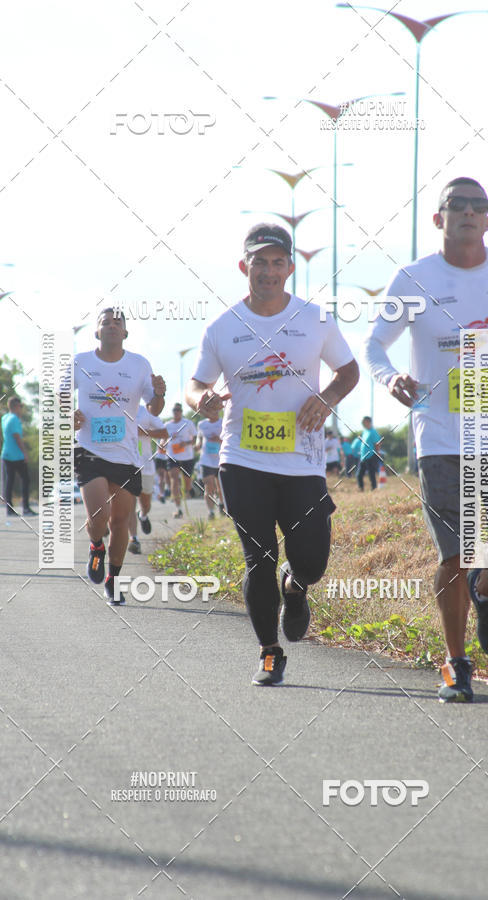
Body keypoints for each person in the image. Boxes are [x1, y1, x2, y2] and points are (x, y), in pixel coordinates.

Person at [365, 177, 488, 702]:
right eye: (459, 205)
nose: (470, 213)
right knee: (456, 554)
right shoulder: (412, 279)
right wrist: (390, 379)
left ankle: (487, 590)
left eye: (480, 206)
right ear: (439, 218)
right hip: (441, 437)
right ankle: (456, 664)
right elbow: (374, 346)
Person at [186, 223, 359, 685]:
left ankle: (297, 585)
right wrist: (198, 399)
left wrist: (326, 399)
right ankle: (268, 652)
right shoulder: (222, 327)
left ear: (289, 268)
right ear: (244, 267)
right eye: (258, 262)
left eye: (276, 262)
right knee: (257, 558)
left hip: (302, 462)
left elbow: (349, 371)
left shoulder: (315, 319)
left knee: (313, 559)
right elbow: (196, 384)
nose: (267, 270)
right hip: (242, 461)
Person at [72, 308, 166, 604]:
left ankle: (113, 579)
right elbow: (58, 397)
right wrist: (67, 414)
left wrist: (161, 394)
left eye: (118, 322)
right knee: (98, 517)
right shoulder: (80, 362)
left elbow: (154, 409)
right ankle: (95, 544)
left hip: (126, 455)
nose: (112, 326)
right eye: (105, 322)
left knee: (121, 520)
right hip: (89, 449)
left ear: (125, 332)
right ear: (96, 332)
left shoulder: (139, 365)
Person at [128, 405, 168, 554]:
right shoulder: (117, 407)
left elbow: (165, 432)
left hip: (145, 464)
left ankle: (143, 515)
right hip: (125, 462)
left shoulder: (146, 411)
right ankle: (134, 538)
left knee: (145, 503)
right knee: (129, 503)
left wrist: (144, 432)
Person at [1, 396, 36, 516]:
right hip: (17, 455)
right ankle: (26, 508)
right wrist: (25, 453)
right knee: (25, 480)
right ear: (16, 406)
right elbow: (17, 437)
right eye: (20, 406)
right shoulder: (15, 419)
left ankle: (9, 509)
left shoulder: (5, 417)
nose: (21, 408)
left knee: (9, 481)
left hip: (6, 453)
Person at [163, 402, 197, 518]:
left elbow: (195, 440)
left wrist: (186, 443)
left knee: (187, 483)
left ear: (181, 412)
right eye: (174, 410)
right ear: (172, 412)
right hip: (172, 456)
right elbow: (163, 440)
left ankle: (189, 488)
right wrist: (163, 444)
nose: (176, 412)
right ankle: (178, 509)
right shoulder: (167, 425)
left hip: (187, 456)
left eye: (178, 410)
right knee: (174, 480)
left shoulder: (188, 423)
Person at [195, 412, 225, 519]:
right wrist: (197, 445)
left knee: (221, 487)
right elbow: (199, 438)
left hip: (221, 459)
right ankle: (211, 512)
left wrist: (219, 440)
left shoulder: (223, 422)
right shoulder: (201, 424)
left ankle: (221, 504)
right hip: (206, 460)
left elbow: (230, 439)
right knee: (209, 486)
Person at [356, 415, 383, 492]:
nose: (362, 423)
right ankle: (360, 488)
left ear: (368, 422)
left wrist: (377, 453)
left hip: (371, 456)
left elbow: (377, 443)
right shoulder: (365, 432)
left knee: (371, 474)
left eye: (364, 422)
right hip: (363, 457)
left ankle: (374, 489)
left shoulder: (373, 432)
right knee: (359, 475)